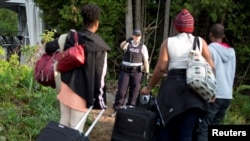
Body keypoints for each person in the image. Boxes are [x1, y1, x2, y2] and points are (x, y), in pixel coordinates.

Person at [140, 9, 215, 141]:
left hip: (172, 91)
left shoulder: (168, 42)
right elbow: (211, 66)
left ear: (176, 26)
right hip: (194, 92)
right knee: (186, 135)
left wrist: (149, 88)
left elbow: (161, 67)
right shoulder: (200, 41)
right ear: (192, 27)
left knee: (166, 130)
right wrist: (212, 91)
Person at [45, 3, 110, 132]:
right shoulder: (99, 47)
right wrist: (100, 100)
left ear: (83, 21)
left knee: (63, 122)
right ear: (96, 23)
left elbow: (49, 48)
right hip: (82, 93)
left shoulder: (71, 37)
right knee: (75, 128)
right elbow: (100, 75)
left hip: (65, 87)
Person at [196, 23, 236, 141]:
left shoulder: (209, 50)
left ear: (210, 35)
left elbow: (205, 73)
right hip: (227, 95)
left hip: (214, 95)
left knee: (204, 127)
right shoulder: (232, 52)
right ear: (223, 35)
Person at [111, 29, 149, 116]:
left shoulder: (143, 47)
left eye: (138, 35)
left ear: (140, 36)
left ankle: (130, 109)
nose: (137, 37)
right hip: (125, 71)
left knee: (135, 91)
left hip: (137, 72)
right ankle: (117, 109)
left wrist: (147, 72)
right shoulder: (128, 44)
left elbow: (146, 60)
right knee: (121, 90)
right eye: (135, 35)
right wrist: (127, 40)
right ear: (133, 35)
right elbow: (121, 46)